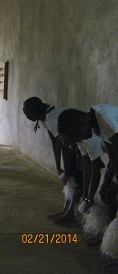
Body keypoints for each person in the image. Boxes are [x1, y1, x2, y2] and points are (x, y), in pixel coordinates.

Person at [57, 105, 118, 271]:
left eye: (76, 136)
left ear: (81, 124)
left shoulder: (103, 120)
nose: (80, 139)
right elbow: (113, 154)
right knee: (111, 195)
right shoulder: (97, 126)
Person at [22, 97, 83, 224]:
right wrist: (58, 166)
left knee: (74, 180)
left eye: (27, 113)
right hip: (74, 145)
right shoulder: (46, 118)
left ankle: (70, 212)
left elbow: (65, 148)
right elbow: (55, 143)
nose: (27, 117)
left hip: (83, 143)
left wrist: (66, 171)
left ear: (36, 111)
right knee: (69, 180)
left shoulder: (52, 120)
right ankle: (66, 210)